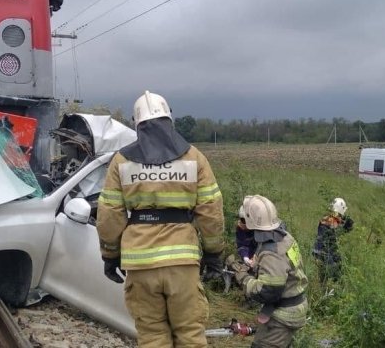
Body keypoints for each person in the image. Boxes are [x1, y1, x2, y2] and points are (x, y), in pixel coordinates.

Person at [96, 91, 224, 347]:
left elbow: (110, 216)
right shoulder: (193, 157)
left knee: (152, 336)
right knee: (190, 334)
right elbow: (210, 211)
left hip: (140, 264)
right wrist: (213, 254)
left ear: (137, 123)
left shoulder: (121, 161)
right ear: (170, 119)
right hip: (183, 263)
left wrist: (110, 256)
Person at [226, 195, 309, 348]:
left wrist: (243, 277)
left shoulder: (271, 251)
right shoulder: (285, 238)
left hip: (283, 314)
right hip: (294, 304)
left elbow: (268, 292)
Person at [312, 197, 354, 284]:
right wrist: (345, 227)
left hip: (329, 250)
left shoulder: (332, 219)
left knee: (339, 266)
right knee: (333, 272)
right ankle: (328, 291)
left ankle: (332, 288)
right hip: (323, 251)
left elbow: (337, 230)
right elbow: (334, 233)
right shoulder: (328, 221)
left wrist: (347, 226)